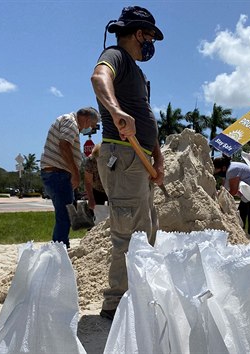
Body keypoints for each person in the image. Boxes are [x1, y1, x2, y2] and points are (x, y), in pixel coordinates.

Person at [90, 5, 164, 321]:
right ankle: (116, 303)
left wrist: (157, 156)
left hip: (141, 158)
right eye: (150, 37)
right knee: (126, 230)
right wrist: (116, 112)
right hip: (123, 153)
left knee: (145, 227)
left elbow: (146, 117)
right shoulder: (116, 55)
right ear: (138, 34)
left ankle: (134, 293)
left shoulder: (138, 72)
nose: (151, 45)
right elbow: (98, 77)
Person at [39, 107, 99, 249]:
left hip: (57, 174)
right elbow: (64, 145)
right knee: (64, 216)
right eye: (91, 125)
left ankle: (61, 247)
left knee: (66, 214)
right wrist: (75, 173)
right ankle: (60, 250)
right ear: (86, 119)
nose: (90, 130)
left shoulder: (67, 121)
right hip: (58, 174)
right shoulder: (70, 122)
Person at [213, 155, 250, 241]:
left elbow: (233, 191)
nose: (215, 173)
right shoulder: (228, 168)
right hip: (248, 193)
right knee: (241, 213)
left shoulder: (232, 170)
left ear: (223, 168)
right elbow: (224, 186)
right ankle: (241, 234)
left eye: (216, 170)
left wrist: (222, 199)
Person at [83, 143, 108, 209]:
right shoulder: (90, 161)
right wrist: (91, 199)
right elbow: (88, 182)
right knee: (95, 211)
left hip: (112, 188)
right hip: (97, 189)